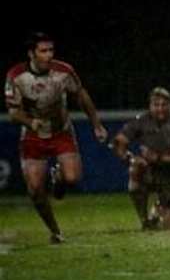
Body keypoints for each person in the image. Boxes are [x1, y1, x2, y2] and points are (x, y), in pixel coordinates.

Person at [4, 32, 107, 243]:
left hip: (61, 132)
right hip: (33, 136)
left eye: (51, 50)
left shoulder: (64, 71)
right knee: (35, 190)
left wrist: (96, 124)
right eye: (43, 51)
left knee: (72, 178)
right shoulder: (16, 75)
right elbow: (13, 112)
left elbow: (81, 95)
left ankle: (58, 176)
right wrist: (31, 122)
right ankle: (55, 231)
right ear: (31, 53)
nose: (49, 55)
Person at [112, 87, 170, 230]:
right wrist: (130, 158)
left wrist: (157, 157)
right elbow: (119, 141)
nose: (160, 109)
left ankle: (158, 209)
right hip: (150, 172)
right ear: (150, 106)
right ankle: (144, 219)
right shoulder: (141, 121)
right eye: (156, 105)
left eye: (164, 105)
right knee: (136, 168)